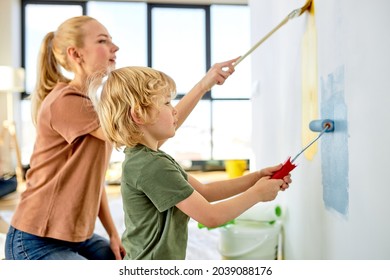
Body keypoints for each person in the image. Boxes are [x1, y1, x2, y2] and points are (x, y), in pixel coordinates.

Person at [5, 16, 236, 260]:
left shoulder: (90, 106)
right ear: (76, 54)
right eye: (103, 41)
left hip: (78, 237)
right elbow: (142, 130)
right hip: (36, 238)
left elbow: (92, 181)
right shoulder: (65, 102)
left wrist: (114, 233)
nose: (115, 48)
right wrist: (202, 87)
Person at [88, 66, 291, 260]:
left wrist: (255, 178)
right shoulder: (151, 166)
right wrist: (257, 194)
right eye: (167, 103)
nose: (175, 110)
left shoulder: (146, 158)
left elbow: (205, 191)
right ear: (138, 114)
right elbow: (211, 217)